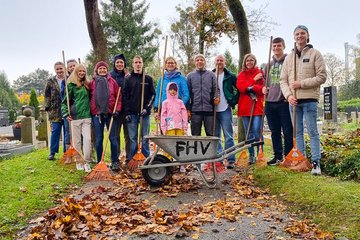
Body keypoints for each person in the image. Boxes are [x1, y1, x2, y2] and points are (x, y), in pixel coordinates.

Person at [280, 25, 326, 175]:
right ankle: (302, 161)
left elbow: (322, 77)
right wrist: (288, 95)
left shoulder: (315, 54)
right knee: (297, 133)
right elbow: (283, 80)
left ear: (307, 36)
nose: (300, 36)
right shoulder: (289, 57)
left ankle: (315, 163)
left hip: (310, 100)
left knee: (313, 132)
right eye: (297, 34)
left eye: (302, 33)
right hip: (294, 101)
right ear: (294, 37)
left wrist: (301, 84)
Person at [262, 37, 293, 166]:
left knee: (287, 131)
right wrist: (263, 87)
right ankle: (277, 156)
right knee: (274, 131)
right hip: (270, 102)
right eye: (274, 46)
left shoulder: (289, 61)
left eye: (279, 46)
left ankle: (288, 156)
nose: (276, 48)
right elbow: (264, 82)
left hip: (283, 101)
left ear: (283, 46)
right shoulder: (268, 65)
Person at [89, 61, 122, 172]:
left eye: (104, 69)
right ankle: (100, 161)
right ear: (97, 70)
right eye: (100, 69)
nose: (102, 70)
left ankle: (115, 161)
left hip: (110, 114)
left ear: (107, 70)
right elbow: (89, 97)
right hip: (97, 114)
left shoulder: (112, 82)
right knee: (99, 140)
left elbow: (118, 97)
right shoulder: (92, 83)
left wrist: (117, 110)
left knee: (113, 138)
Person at [122, 55, 155, 162]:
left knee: (145, 138)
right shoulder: (128, 79)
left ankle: (146, 160)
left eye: (139, 62)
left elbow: (152, 95)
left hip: (144, 114)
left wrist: (147, 108)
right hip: (132, 114)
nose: (138, 64)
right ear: (133, 64)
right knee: (132, 139)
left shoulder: (148, 79)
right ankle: (132, 160)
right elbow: (125, 96)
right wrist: (126, 113)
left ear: (142, 64)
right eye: (136, 62)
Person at [61, 64, 92, 172]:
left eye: (84, 71)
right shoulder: (71, 85)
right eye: (80, 71)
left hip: (87, 117)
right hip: (75, 117)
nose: (82, 73)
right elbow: (65, 102)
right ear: (76, 72)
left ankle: (87, 161)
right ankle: (79, 161)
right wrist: (66, 114)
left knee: (87, 140)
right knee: (77, 142)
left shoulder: (87, 84)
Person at [236, 53, 265, 165]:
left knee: (257, 130)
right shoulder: (241, 74)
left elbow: (261, 88)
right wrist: (253, 81)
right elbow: (241, 87)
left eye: (251, 60)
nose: (249, 62)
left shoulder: (260, 73)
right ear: (244, 62)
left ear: (255, 61)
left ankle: (260, 153)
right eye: (247, 60)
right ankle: (251, 155)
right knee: (248, 133)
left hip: (256, 106)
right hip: (245, 107)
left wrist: (251, 88)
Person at [213, 55, 239, 169]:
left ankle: (231, 159)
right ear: (215, 62)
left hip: (225, 109)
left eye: (221, 60)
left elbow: (239, 89)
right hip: (213, 110)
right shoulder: (211, 75)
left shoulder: (230, 75)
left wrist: (233, 101)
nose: (219, 62)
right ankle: (219, 158)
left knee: (228, 135)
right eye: (217, 60)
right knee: (216, 136)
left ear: (225, 62)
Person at [187, 54, 218, 136]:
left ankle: (210, 149)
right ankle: (196, 149)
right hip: (195, 111)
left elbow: (216, 89)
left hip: (209, 110)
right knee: (195, 134)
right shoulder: (190, 76)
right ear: (195, 63)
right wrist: (188, 109)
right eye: (197, 60)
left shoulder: (211, 75)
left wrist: (217, 97)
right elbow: (188, 93)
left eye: (201, 60)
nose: (200, 62)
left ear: (205, 62)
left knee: (210, 134)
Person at [154, 56, 189, 126]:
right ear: (165, 65)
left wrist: (179, 105)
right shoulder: (162, 79)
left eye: (172, 63)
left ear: (175, 64)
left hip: (177, 111)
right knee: (165, 128)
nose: (170, 64)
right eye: (168, 63)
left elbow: (186, 95)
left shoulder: (181, 78)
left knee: (176, 129)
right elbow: (158, 94)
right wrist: (156, 109)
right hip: (164, 110)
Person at [160, 82, 188, 172]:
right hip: (169, 128)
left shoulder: (180, 102)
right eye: (171, 90)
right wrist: (163, 128)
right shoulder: (165, 103)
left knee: (180, 145)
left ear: (177, 91)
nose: (173, 92)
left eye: (174, 90)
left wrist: (185, 127)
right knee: (169, 145)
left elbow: (184, 115)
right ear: (168, 90)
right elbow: (163, 116)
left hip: (179, 127)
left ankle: (181, 164)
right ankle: (167, 163)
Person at [44, 61, 67, 160]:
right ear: (55, 70)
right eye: (57, 69)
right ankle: (52, 152)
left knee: (67, 132)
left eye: (61, 68)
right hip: (55, 110)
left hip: (66, 110)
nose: (59, 70)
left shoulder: (69, 79)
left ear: (64, 68)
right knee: (55, 131)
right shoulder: (50, 81)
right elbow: (47, 95)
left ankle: (66, 152)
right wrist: (47, 107)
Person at [110, 53, 130, 161]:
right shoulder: (110, 76)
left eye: (121, 62)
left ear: (124, 64)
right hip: (115, 111)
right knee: (115, 136)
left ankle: (129, 158)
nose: (119, 64)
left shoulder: (128, 76)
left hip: (126, 111)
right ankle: (115, 158)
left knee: (128, 136)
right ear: (114, 63)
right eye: (117, 62)